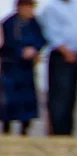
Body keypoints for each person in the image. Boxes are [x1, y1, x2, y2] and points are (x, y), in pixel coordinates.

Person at [39, 0, 77, 135]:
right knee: (59, 95)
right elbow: (51, 32)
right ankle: (57, 130)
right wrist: (65, 50)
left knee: (71, 94)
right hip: (61, 55)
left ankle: (68, 130)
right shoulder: (51, 8)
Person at [1, 0, 46, 136]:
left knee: (27, 101)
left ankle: (25, 129)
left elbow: (41, 39)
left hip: (27, 69)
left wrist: (35, 50)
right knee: (9, 100)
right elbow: (6, 44)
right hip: (11, 68)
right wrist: (20, 51)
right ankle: (6, 128)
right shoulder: (8, 23)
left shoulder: (34, 23)